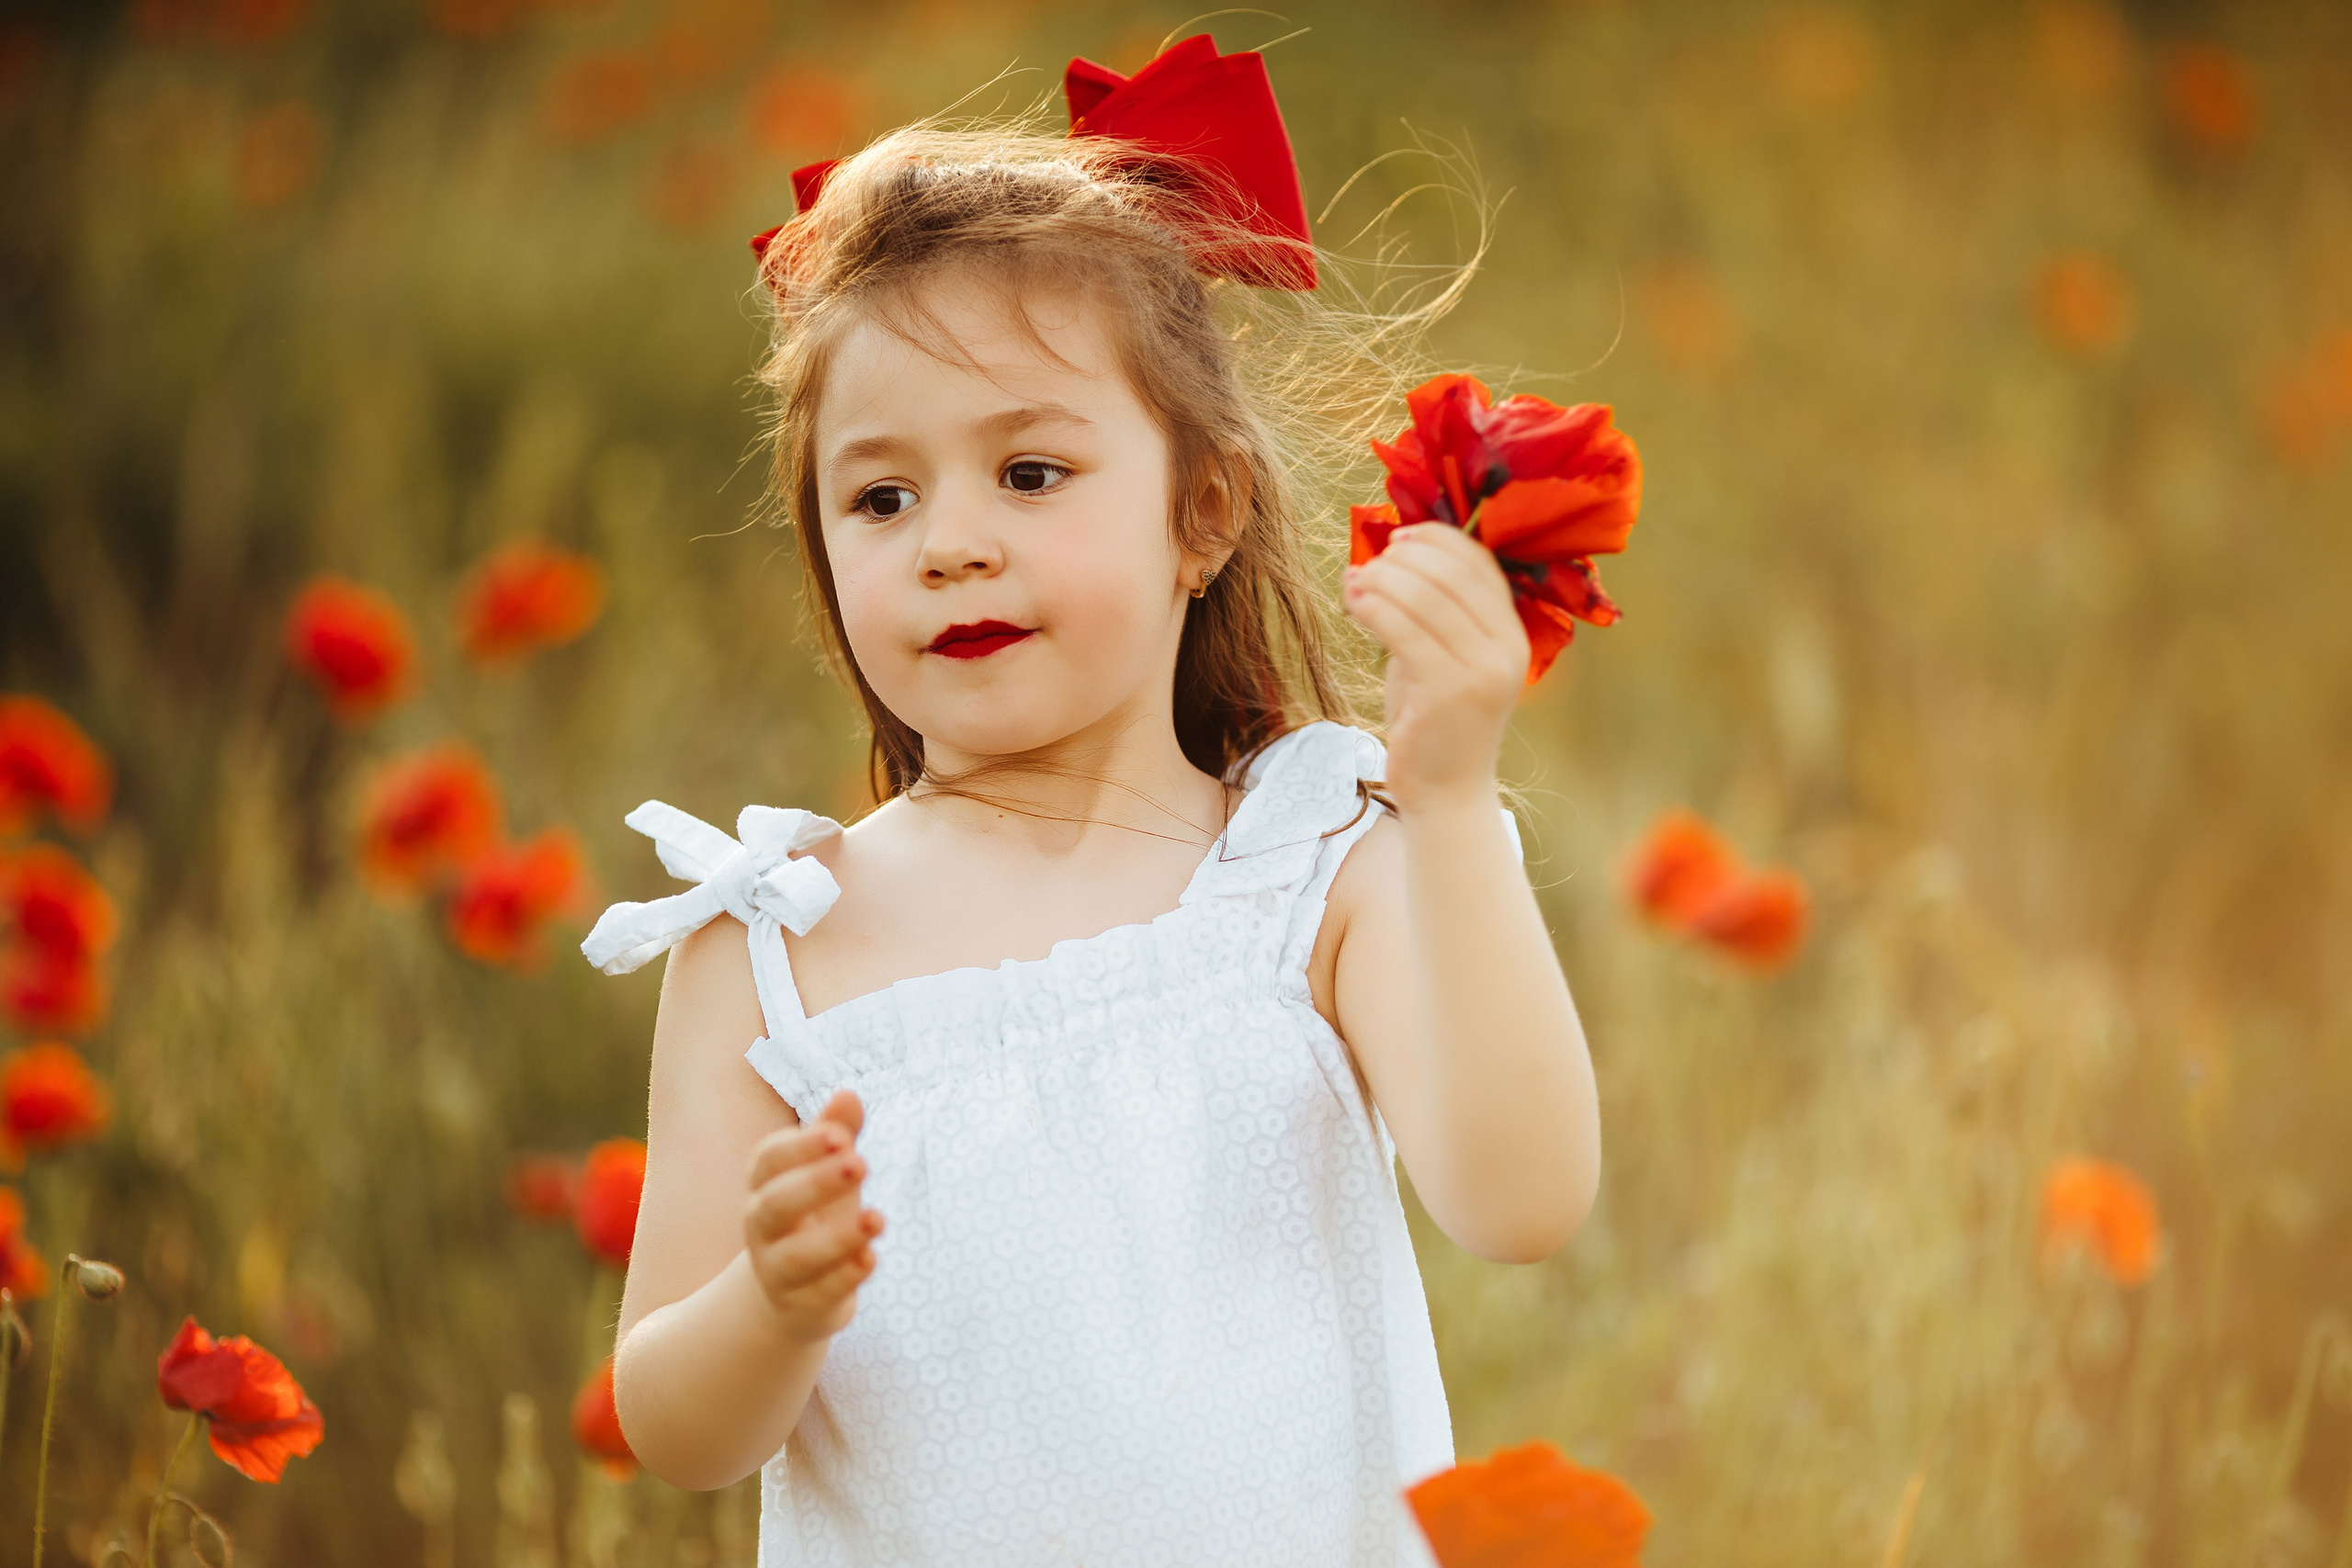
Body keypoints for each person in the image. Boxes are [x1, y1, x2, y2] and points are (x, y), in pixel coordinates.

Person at [580, 33, 1600, 1567]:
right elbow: (673, 1426)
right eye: (881, 497)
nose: (950, 543)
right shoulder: (774, 947)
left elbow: (1520, 1199)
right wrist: (769, 1307)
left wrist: (1451, 804)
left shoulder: (1314, 869)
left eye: (1032, 474)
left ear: (1202, 513)